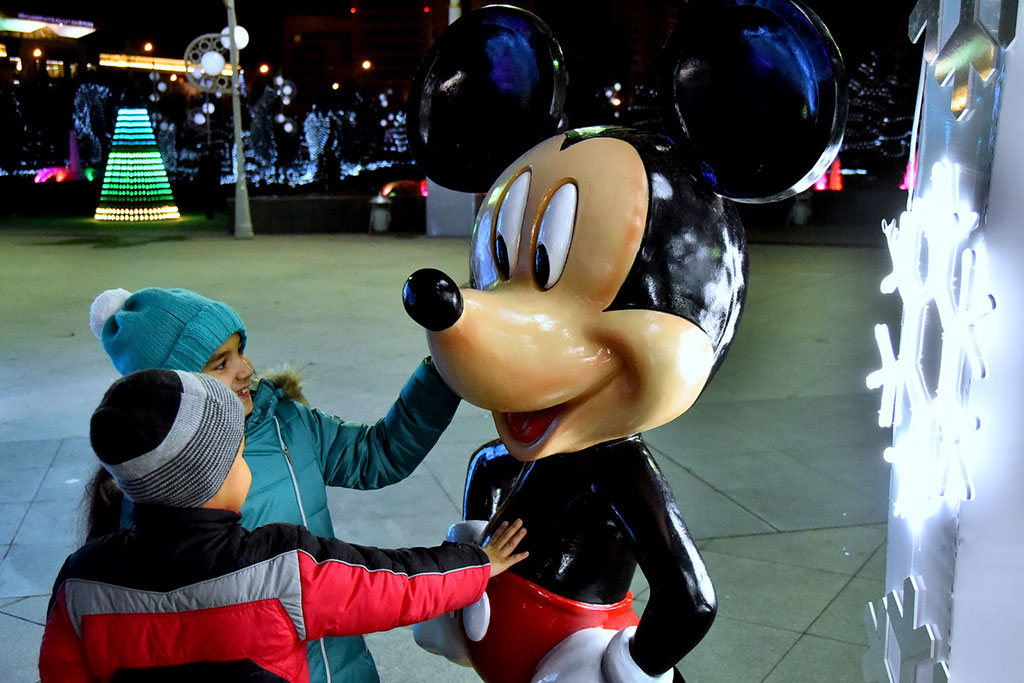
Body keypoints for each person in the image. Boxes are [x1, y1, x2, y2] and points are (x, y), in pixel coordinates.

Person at [40, 368, 528, 682]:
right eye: (237, 453)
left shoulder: (80, 582)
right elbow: (394, 583)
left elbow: (62, 671)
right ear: (216, 476)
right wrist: (478, 563)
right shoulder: (280, 566)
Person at [84, 286, 464, 681]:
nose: (246, 368)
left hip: (342, 663)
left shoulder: (284, 421)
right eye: (220, 364)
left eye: (239, 350)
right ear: (176, 387)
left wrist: (443, 372)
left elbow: (378, 455)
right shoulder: (165, 493)